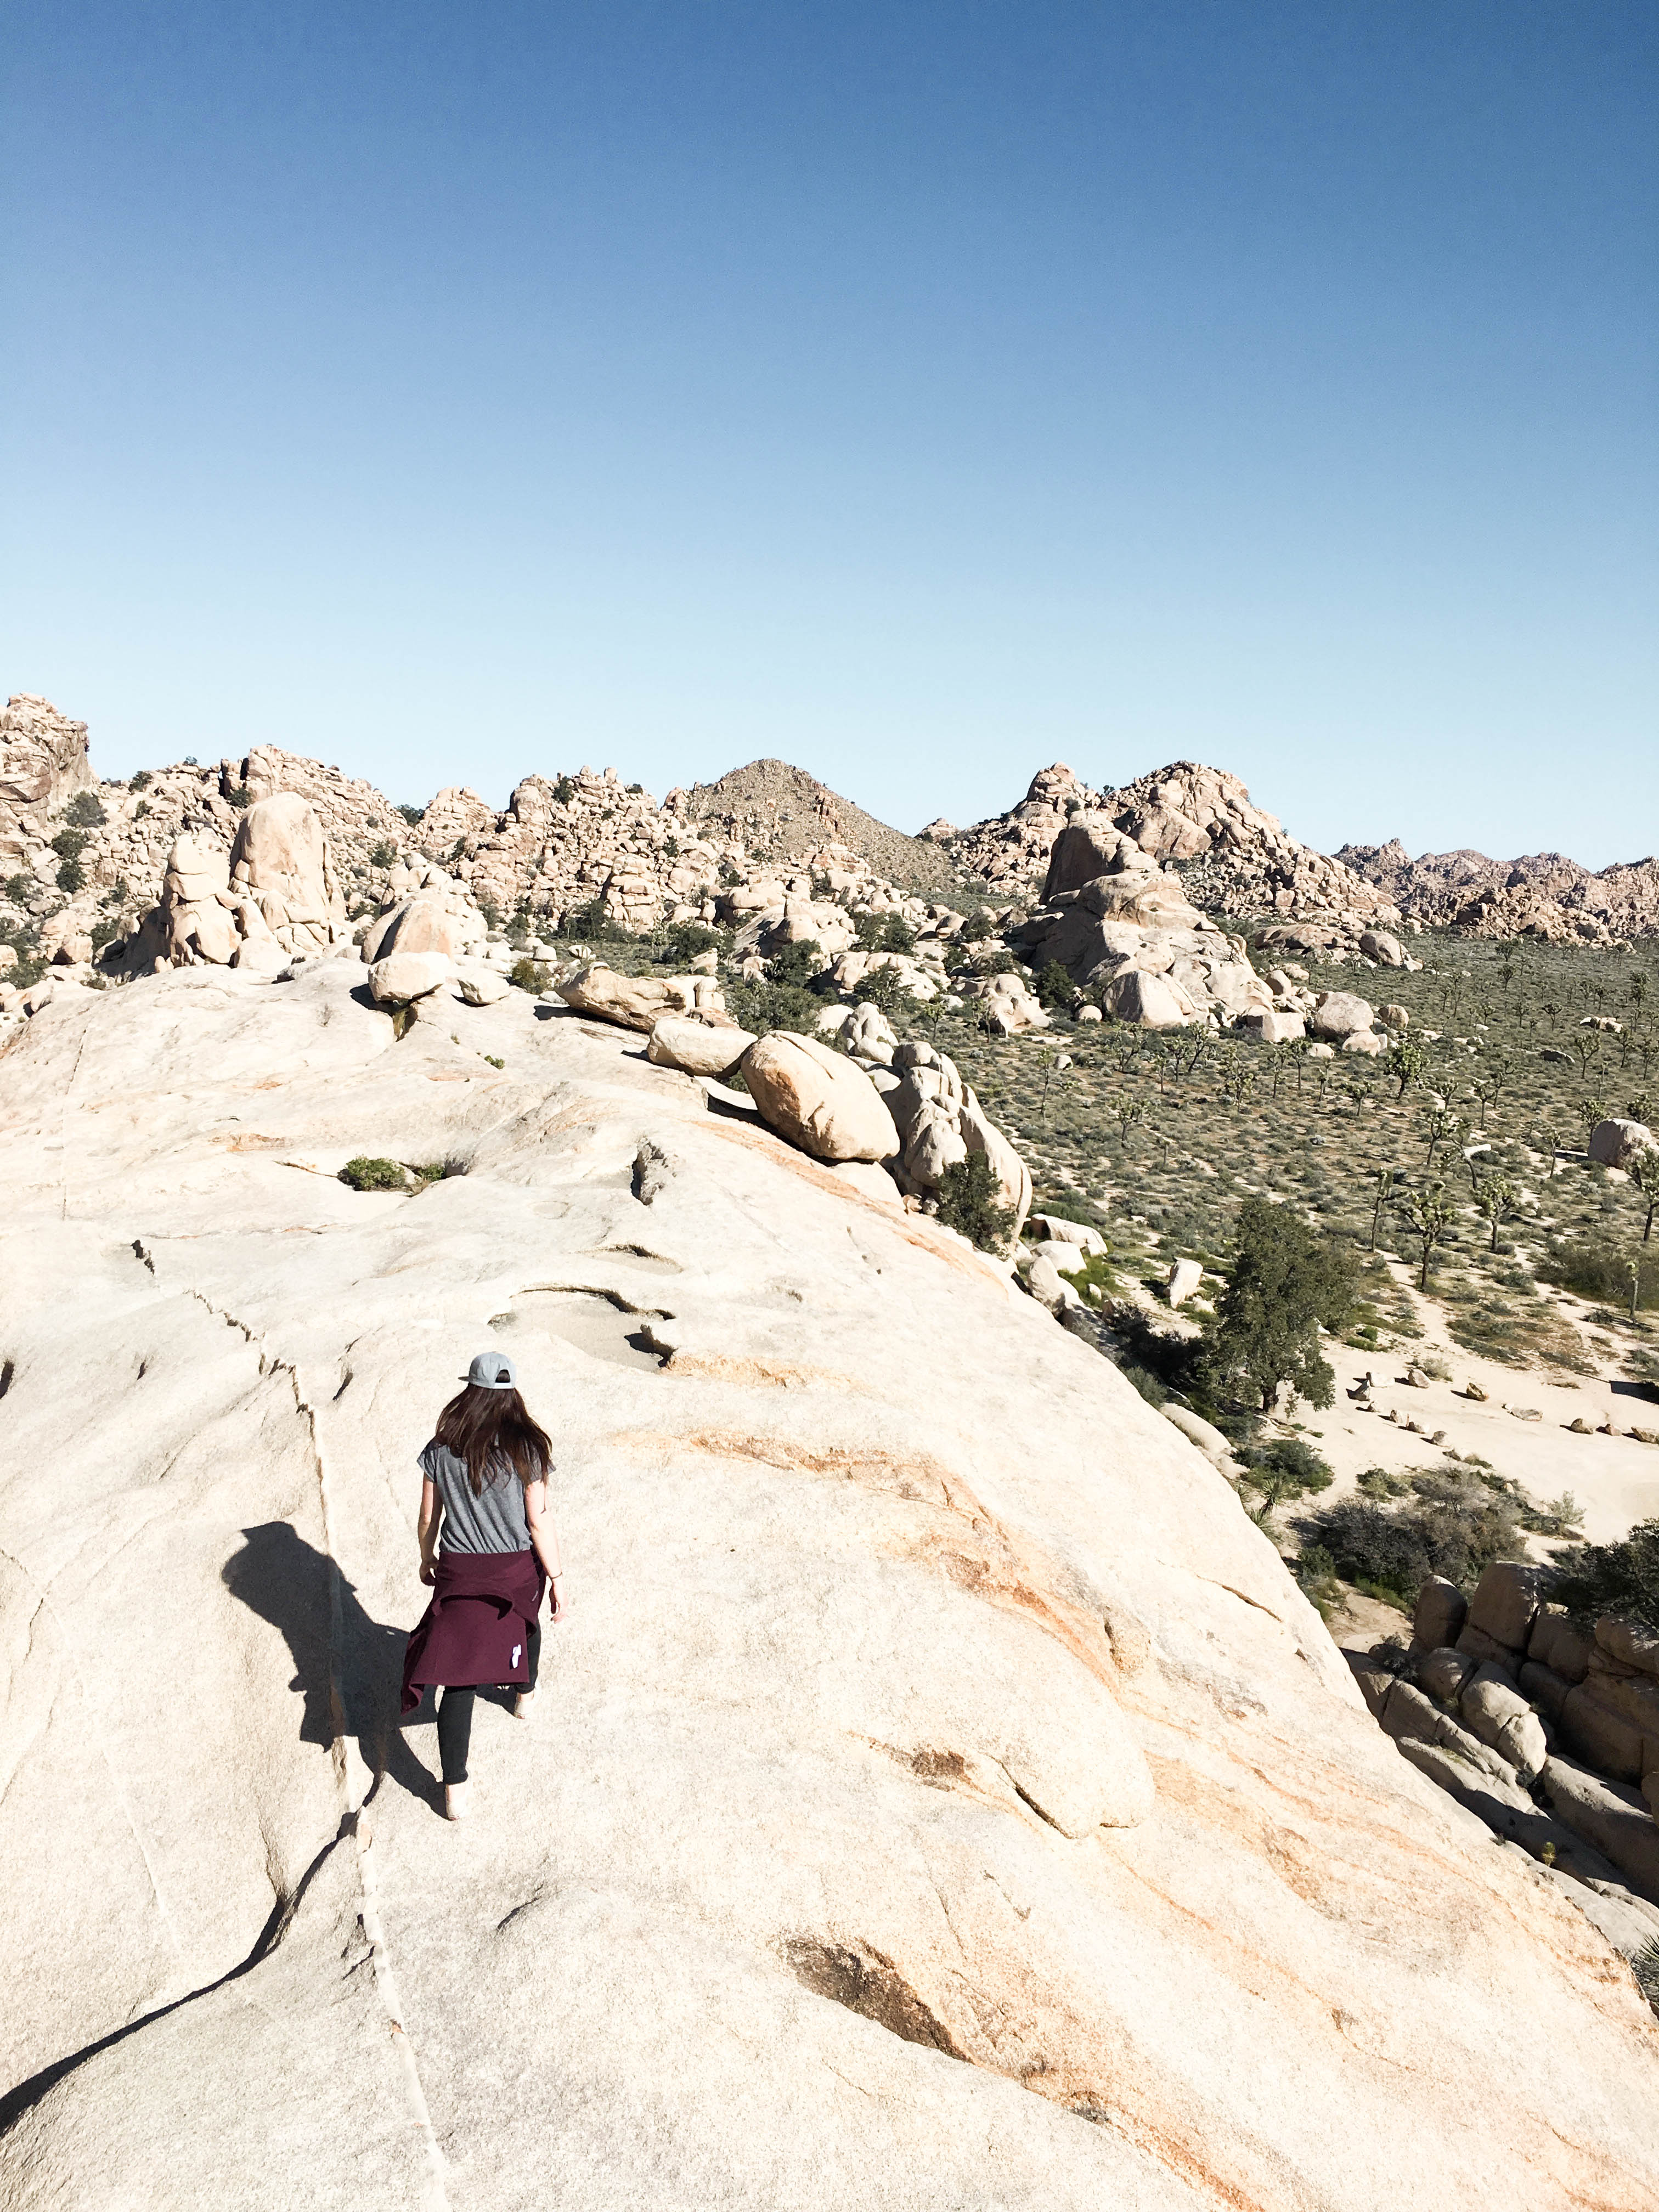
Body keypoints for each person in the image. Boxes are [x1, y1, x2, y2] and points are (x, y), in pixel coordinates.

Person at [400, 1351, 565, 1820]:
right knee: (525, 1620)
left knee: (459, 1678)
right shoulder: (529, 1449)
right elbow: (538, 1519)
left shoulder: (441, 1448)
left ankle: (454, 1791)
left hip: (459, 1570)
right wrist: (556, 1577)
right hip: (515, 1569)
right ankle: (523, 1696)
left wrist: (426, 1555)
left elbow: (429, 1515)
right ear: (511, 1395)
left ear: (469, 1392)